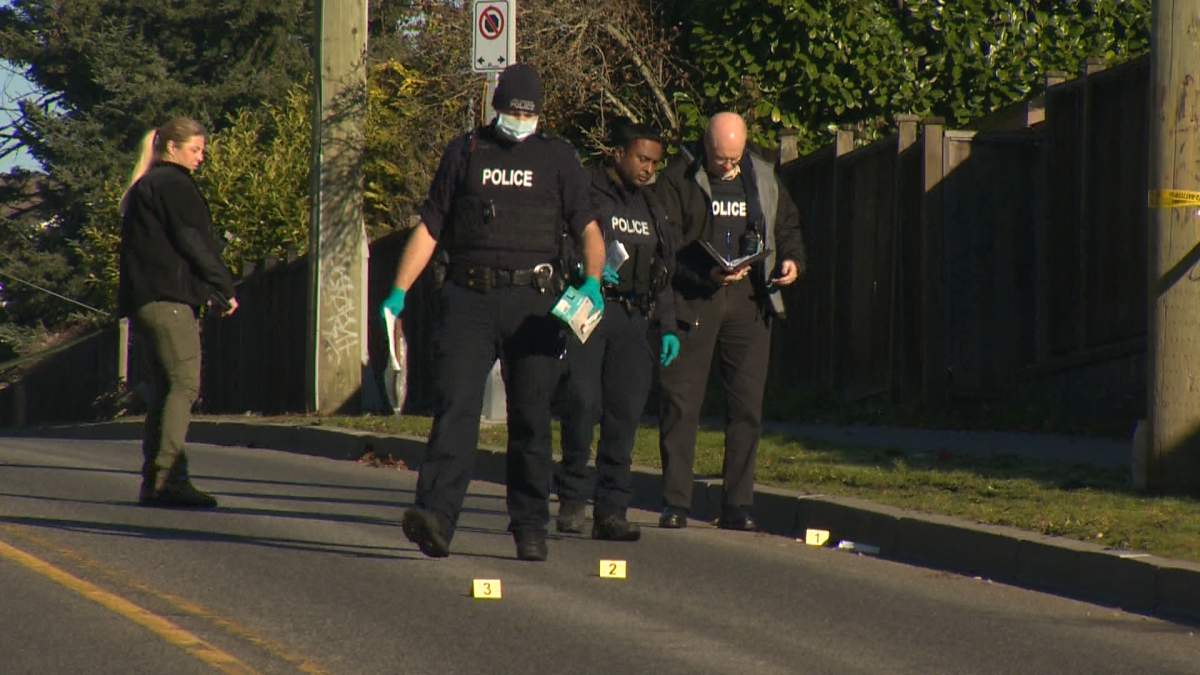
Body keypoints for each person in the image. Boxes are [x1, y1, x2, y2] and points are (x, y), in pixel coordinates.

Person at [381, 63, 605, 561]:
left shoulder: (559, 158)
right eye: (511, 109)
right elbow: (430, 226)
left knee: (530, 417)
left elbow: (588, 227)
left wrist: (592, 280)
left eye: (528, 111)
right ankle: (436, 518)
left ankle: (530, 526)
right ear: (495, 106)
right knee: (456, 407)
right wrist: (398, 291)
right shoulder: (466, 151)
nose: (519, 118)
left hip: (536, 305)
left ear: (539, 113)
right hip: (469, 299)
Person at [653, 111, 806, 531]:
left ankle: (738, 504)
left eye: (735, 157)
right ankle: (676, 502)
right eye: (722, 158)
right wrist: (704, 274)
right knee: (681, 403)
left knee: (746, 406)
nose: (729, 166)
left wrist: (791, 261)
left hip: (749, 299)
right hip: (696, 299)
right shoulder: (679, 177)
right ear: (706, 144)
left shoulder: (762, 173)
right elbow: (664, 247)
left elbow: (786, 225)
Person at [553, 119, 679, 542]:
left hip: (635, 316)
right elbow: (566, 244)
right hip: (591, 306)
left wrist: (668, 325)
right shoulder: (587, 192)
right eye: (642, 159)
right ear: (619, 153)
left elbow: (663, 271)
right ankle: (572, 501)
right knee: (582, 401)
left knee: (624, 414)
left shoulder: (653, 205)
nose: (648, 169)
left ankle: (612, 510)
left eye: (655, 163)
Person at [118, 116, 239, 508]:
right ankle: (169, 479)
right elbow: (192, 240)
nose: (201, 157)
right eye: (195, 149)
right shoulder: (173, 185)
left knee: (166, 389)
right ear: (172, 147)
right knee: (184, 386)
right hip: (169, 301)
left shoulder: (144, 187)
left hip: (146, 301)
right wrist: (222, 286)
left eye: (202, 150)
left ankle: (156, 478)